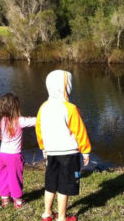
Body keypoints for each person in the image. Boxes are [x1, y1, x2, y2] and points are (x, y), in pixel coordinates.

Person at [36, 70, 92, 221]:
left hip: (51, 153)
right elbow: (80, 131)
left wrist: (43, 148)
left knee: (50, 184)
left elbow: (39, 130)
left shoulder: (43, 108)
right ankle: (61, 217)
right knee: (65, 186)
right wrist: (85, 151)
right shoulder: (70, 108)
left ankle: (47, 213)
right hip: (69, 154)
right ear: (66, 87)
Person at [0, 92, 36, 209]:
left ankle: (5, 199)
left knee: (3, 176)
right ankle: (18, 201)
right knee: (15, 177)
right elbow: (36, 121)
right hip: (14, 156)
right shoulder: (19, 120)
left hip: (2, 155)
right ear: (15, 107)